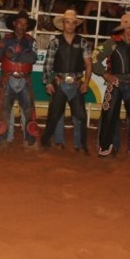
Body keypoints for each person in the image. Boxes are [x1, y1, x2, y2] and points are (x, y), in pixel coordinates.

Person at [92, 13, 130, 159]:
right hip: (116, 83)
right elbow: (94, 57)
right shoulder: (112, 42)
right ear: (127, 29)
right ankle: (107, 146)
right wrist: (106, 74)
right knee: (110, 116)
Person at [41, 9, 93, 153]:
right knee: (55, 115)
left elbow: (89, 64)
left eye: (73, 23)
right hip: (60, 81)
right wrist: (48, 82)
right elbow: (48, 64)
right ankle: (57, 141)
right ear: (63, 24)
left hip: (76, 83)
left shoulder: (82, 42)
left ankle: (80, 144)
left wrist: (86, 83)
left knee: (80, 116)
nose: (70, 25)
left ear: (76, 25)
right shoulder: (55, 42)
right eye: (67, 22)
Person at [0, 10, 39, 149]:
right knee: (4, 108)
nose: (22, 25)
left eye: (24, 23)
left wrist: (14, 56)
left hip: (24, 78)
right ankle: (2, 139)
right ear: (14, 23)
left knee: (28, 109)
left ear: (27, 26)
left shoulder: (31, 41)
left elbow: (32, 58)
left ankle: (30, 140)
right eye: (19, 22)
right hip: (8, 77)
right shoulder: (5, 40)